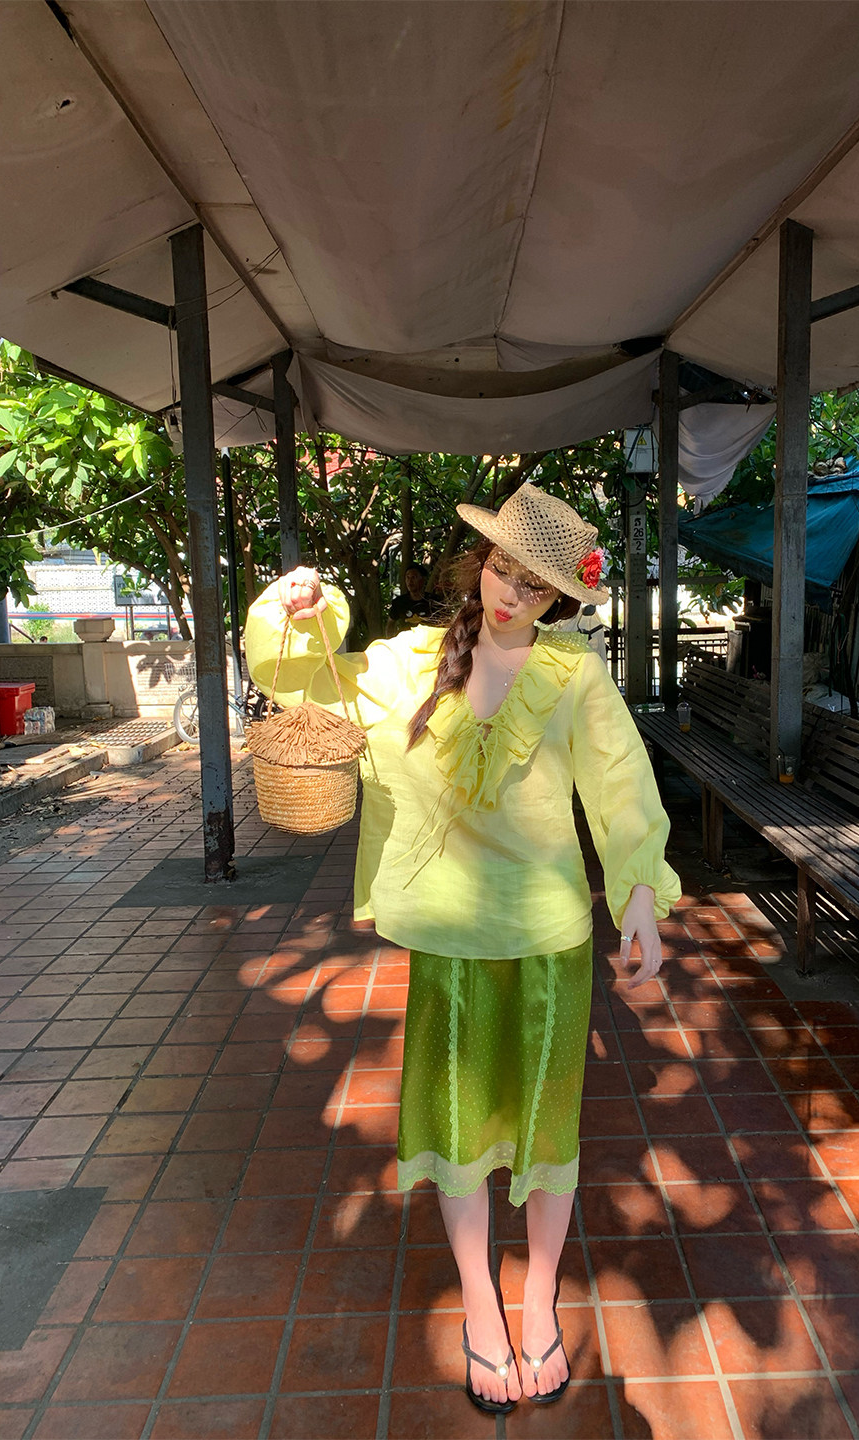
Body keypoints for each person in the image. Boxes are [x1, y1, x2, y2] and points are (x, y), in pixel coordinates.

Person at [244, 483, 680, 1414]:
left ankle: (537, 1294)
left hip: (550, 940)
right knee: (454, 1123)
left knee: (549, 1127)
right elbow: (307, 679)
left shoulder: (573, 675)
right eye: (502, 569)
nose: (512, 593)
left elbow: (622, 785)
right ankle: (482, 1300)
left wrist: (640, 893)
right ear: (480, 563)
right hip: (448, 938)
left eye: (535, 584)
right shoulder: (410, 663)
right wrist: (298, 607)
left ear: (559, 597)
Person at [387, 561, 441, 633]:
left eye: (413, 577)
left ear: (423, 579)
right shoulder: (399, 602)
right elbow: (390, 623)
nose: (410, 581)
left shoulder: (434, 601)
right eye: (408, 577)